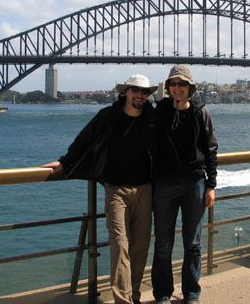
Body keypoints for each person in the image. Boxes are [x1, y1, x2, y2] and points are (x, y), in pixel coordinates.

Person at [43, 74, 157, 304]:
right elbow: (83, 140)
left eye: (145, 92)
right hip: (116, 190)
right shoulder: (108, 116)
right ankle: (122, 300)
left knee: (140, 246)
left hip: (145, 188)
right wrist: (65, 162)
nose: (140, 96)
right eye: (136, 90)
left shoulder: (153, 118)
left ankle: (134, 295)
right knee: (120, 245)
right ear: (125, 91)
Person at [151, 65, 218, 304]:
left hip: (194, 184)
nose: (177, 88)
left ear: (190, 88)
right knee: (163, 243)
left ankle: (192, 293)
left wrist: (211, 185)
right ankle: (162, 293)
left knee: (193, 243)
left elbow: (211, 151)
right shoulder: (159, 111)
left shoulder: (201, 113)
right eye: (173, 84)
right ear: (168, 88)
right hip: (165, 183)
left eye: (182, 84)